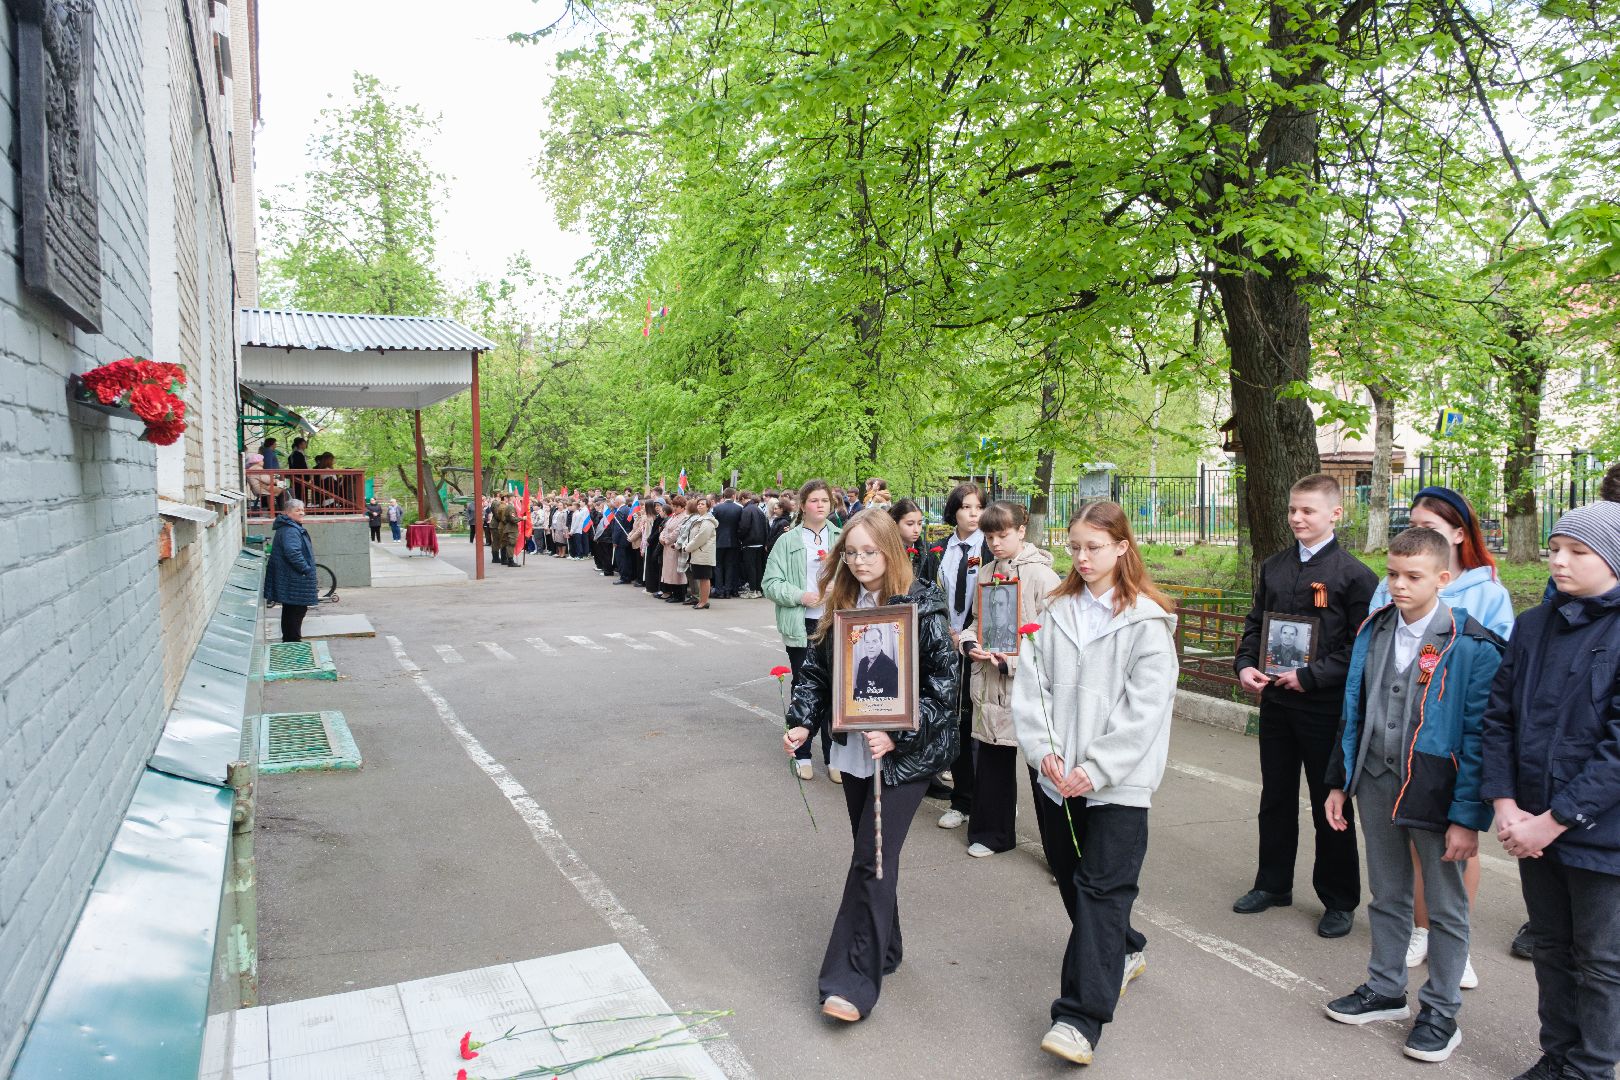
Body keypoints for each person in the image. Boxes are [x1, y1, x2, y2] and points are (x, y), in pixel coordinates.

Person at [1321, 527, 1504, 1064]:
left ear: (1443, 579)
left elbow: (1481, 738)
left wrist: (1468, 816)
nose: (1398, 586)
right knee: (1387, 893)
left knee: (1445, 907)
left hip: (1436, 791)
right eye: (1392, 574)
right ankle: (1385, 989)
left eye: (1413, 577)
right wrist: (1341, 779)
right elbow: (1353, 709)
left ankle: (1442, 1010)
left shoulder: (1473, 646)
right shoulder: (1374, 631)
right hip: (1377, 778)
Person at [1010, 501, 1177, 1066]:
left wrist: (1096, 768)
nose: (1082, 558)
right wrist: (1046, 753)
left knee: (1103, 892)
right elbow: (1030, 692)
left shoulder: (1147, 622)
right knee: (1074, 882)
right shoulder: (1054, 611)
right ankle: (1123, 949)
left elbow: (1144, 711)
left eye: (1095, 547)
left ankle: (1079, 1020)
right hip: (1058, 780)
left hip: (1117, 786)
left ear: (1123, 548)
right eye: (1075, 546)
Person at [782, 508, 959, 1024]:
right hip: (855, 752)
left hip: (906, 757)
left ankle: (851, 981)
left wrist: (899, 731)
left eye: (870, 551)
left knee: (871, 858)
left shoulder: (922, 603)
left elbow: (944, 693)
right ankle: (887, 948)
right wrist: (801, 723)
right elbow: (817, 673)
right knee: (872, 851)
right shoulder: (841, 603)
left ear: (891, 550)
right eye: (851, 552)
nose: (860, 562)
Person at [1482, 501, 1620, 1080]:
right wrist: (1507, 804)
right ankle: (1557, 1054)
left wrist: (1555, 818)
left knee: (1600, 961)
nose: (1558, 561)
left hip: (1598, 833)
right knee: (1552, 950)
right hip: (1530, 823)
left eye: (1576, 552)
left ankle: (1590, 1067)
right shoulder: (1536, 622)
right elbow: (1500, 717)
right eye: (1556, 547)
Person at [1369, 486, 1514, 983]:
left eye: (1430, 526)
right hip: (1390, 753)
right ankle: (1417, 932)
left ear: (1457, 533)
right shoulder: (1391, 589)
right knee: (1402, 853)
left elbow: (1491, 678)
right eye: (1412, 523)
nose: (1399, 584)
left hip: (1440, 753)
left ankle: (1453, 943)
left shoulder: (1486, 594)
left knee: (1451, 852)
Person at [1233, 473, 1378, 938]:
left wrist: (1312, 676)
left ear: (1335, 513)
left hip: (1324, 708)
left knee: (1327, 803)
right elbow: (1255, 624)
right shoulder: (1275, 566)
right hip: (1276, 701)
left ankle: (1338, 899)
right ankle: (1272, 883)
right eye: (1293, 509)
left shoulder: (1356, 576)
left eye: (1308, 510)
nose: (1297, 518)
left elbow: (1363, 647)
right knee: (1274, 796)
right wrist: (1244, 666)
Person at [959, 500, 1060, 859]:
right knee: (992, 759)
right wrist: (969, 643)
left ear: (1021, 530)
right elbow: (975, 622)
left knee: (1044, 768)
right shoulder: (986, 573)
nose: (995, 543)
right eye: (988, 537)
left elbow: (1053, 641)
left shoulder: (1043, 577)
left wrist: (1012, 663)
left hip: (1029, 685)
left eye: (1002, 535)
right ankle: (992, 833)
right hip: (990, 681)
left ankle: (1060, 853)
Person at [763, 479, 842, 781]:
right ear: (802, 505)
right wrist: (801, 595)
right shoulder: (788, 540)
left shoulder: (842, 538)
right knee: (805, 687)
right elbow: (770, 583)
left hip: (835, 620)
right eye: (814, 500)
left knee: (836, 688)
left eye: (825, 500)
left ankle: (836, 754)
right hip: (802, 622)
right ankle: (802, 751)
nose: (820, 505)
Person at [936, 481, 987, 830]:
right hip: (945, 643)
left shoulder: (992, 548)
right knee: (954, 724)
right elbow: (931, 591)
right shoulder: (939, 548)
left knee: (980, 728)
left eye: (978, 507)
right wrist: (947, 632)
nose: (973, 513)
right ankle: (962, 800)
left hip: (978, 647)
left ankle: (990, 800)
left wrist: (967, 633)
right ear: (954, 509)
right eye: (966, 506)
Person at [265, 499, 319, 643]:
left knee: (292, 611)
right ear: (287, 513)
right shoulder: (290, 530)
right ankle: (292, 643)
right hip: (295, 579)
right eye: (297, 510)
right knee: (295, 612)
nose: (302, 512)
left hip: (292, 578)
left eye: (302, 510)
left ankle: (291, 641)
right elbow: (293, 553)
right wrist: (306, 569)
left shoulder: (291, 527)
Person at [889, 499, 940, 584]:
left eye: (919, 524)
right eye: (910, 524)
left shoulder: (927, 550)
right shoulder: (887, 551)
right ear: (895, 524)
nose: (916, 530)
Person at [682, 496, 718, 609]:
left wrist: (688, 547)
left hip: (704, 553)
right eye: (698, 504)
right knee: (701, 578)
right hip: (698, 553)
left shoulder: (707, 521)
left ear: (708, 506)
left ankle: (704, 601)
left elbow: (700, 538)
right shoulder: (699, 519)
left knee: (704, 578)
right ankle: (702, 600)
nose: (700, 505)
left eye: (702, 504)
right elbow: (692, 535)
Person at [851, 625, 900, 699]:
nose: (870, 646)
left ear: (881, 643)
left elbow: (892, 698)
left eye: (874, 641)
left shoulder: (890, 666)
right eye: (867, 642)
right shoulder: (862, 662)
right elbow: (859, 688)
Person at [738, 491, 770, 599]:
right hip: (760, 543)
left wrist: (740, 537)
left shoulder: (746, 510)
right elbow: (766, 527)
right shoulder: (759, 509)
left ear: (742, 498)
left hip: (750, 543)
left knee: (750, 567)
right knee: (758, 567)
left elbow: (744, 527)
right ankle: (758, 589)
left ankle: (752, 590)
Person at [661, 495, 691, 603]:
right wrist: (662, 538)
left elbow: (677, 532)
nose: (674, 508)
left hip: (675, 546)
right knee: (670, 571)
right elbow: (665, 528)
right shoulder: (673, 515)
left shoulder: (684, 517)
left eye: (677, 506)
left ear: (683, 507)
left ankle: (679, 595)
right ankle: (673, 593)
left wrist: (666, 540)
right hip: (667, 546)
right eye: (674, 506)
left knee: (677, 572)